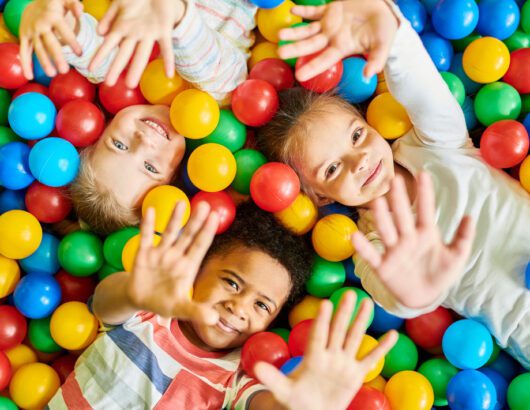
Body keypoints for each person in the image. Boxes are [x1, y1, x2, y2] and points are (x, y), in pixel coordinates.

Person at [256, 0, 530, 368]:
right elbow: (396, 295)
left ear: (367, 122)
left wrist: (390, 31)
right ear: (319, 196)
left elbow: (421, 87)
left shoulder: (435, 145)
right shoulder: (369, 243)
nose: (360, 161)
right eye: (333, 168)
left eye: (356, 136)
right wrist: (416, 292)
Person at [47, 201, 397, 409]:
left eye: (262, 306)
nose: (239, 306)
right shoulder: (150, 312)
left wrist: (298, 404)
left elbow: (262, 404)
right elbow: (106, 306)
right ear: (197, 270)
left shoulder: (236, 375)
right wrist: (135, 292)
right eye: (231, 282)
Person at [19, 0, 256, 234]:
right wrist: (174, 15)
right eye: (150, 167)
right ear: (174, 176)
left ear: (102, 127)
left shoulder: (123, 73)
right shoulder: (218, 99)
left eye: (119, 144)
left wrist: (55, 23)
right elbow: (215, 66)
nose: (144, 141)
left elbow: (89, 48)